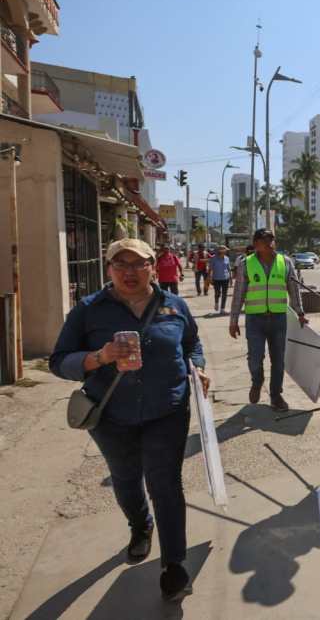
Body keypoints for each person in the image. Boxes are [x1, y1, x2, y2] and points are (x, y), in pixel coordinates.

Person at [49, 238, 210, 602]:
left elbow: (192, 346)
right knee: (125, 478)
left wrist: (197, 369)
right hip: (110, 416)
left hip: (166, 411)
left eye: (138, 264)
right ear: (108, 270)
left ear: (154, 265)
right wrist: (97, 357)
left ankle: (174, 564)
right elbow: (58, 360)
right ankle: (140, 527)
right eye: (120, 264)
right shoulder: (89, 310)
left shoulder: (174, 306)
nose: (129, 272)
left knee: (166, 484)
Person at [229, 228, 306, 412]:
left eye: (272, 240)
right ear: (256, 244)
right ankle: (257, 382)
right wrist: (233, 320)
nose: (271, 243)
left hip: (279, 319)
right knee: (255, 358)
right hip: (255, 320)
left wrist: (300, 312)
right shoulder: (246, 264)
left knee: (278, 360)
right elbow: (239, 293)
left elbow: (293, 290)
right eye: (266, 240)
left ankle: (276, 395)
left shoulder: (285, 262)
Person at [209, 246, 232, 314]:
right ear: (219, 251)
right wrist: (209, 278)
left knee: (224, 294)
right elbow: (210, 269)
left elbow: (229, 269)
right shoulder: (213, 258)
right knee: (217, 293)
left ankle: (222, 309)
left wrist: (230, 278)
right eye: (223, 251)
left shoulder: (227, 258)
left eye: (225, 251)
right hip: (216, 278)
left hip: (225, 278)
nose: (224, 252)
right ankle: (216, 303)